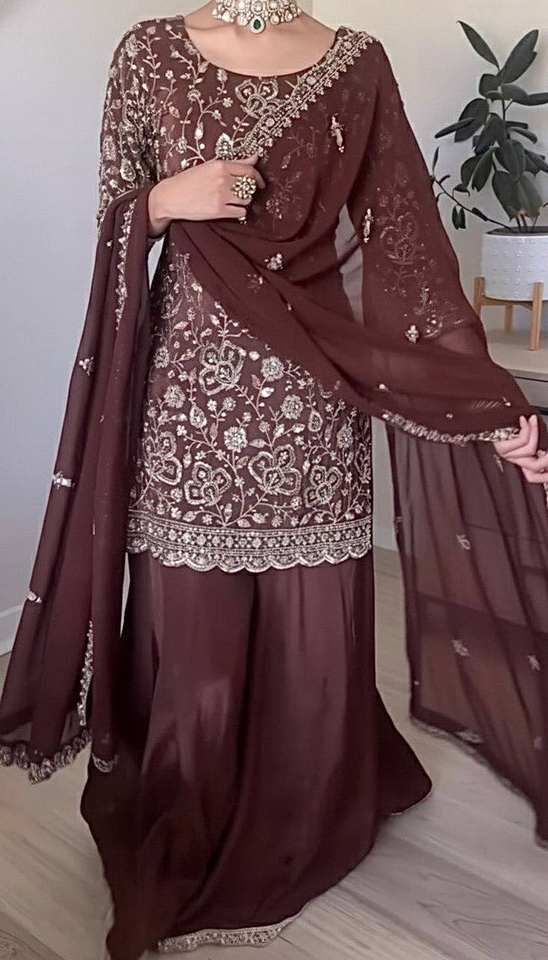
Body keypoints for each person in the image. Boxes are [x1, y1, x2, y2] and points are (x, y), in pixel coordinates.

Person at [1, 4, 547, 959]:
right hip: (189, 388)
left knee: (310, 609)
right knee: (193, 617)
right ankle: (193, 801)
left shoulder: (356, 64)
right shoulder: (149, 52)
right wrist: (164, 201)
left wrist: (484, 403)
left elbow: (408, 248)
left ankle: (307, 796)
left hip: (314, 392)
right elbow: (114, 211)